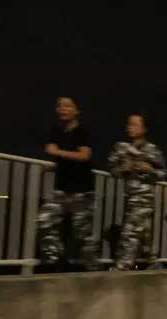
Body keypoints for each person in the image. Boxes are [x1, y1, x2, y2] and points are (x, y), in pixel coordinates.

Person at [37, 97, 98, 271]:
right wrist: (53, 165)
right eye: (60, 106)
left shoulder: (82, 131)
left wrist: (58, 152)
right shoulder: (56, 131)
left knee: (82, 234)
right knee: (44, 220)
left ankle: (94, 269)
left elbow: (84, 155)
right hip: (61, 189)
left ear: (77, 111)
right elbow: (55, 152)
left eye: (68, 106)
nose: (63, 109)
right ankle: (55, 263)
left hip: (81, 190)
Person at [108, 113, 167, 270]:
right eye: (129, 124)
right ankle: (153, 262)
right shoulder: (121, 148)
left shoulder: (152, 150)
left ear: (144, 128)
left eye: (134, 124)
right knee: (145, 234)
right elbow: (112, 170)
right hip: (129, 196)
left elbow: (163, 173)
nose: (130, 127)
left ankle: (122, 267)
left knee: (130, 232)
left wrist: (150, 170)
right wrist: (122, 169)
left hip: (145, 198)